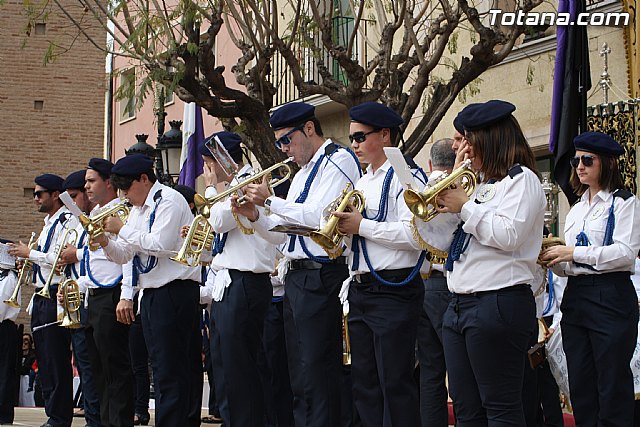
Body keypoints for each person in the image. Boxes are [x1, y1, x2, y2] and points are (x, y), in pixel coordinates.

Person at [415, 99, 546, 426]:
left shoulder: (521, 180)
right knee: (466, 409)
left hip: (497, 301)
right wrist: (443, 187)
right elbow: (438, 240)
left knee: (500, 408)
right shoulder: (479, 185)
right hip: (459, 305)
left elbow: (508, 234)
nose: (465, 147)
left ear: (491, 137)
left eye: (469, 139)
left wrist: (465, 205)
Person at [239, 102, 362, 427]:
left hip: (322, 275)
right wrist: (256, 216)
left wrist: (269, 201)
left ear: (309, 129)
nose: (284, 149)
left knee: (319, 372)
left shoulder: (339, 160)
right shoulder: (300, 174)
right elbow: (285, 237)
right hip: (296, 278)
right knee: (300, 375)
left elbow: (323, 216)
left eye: (287, 140)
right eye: (280, 143)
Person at [326, 102, 424, 426]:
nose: (353, 144)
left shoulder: (404, 176)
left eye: (360, 136)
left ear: (384, 135)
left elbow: (415, 235)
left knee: (395, 385)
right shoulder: (362, 181)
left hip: (394, 289)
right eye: (351, 138)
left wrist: (360, 226)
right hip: (361, 289)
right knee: (364, 385)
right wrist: (340, 232)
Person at [541, 131, 640, 427]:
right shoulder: (576, 209)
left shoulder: (624, 203)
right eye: (576, 160)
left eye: (587, 160)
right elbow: (570, 264)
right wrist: (553, 259)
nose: (579, 166)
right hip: (577, 297)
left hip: (611, 296)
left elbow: (625, 253)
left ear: (607, 163)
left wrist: (573, 252)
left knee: (611, 385)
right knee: (581, 386)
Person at [99, 154, 202, 427]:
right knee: (161, 366)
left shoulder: (168, 200)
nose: (124, 195)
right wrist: (105, 242)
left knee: (172, 369)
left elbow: (160, 244)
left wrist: (121, 229)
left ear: (144, 179)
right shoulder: (137, 209)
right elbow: (125, 255)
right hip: (153, 293)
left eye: (126, 188)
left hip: (176, 290)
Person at [62, 159, 136, 427]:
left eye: (91, 181)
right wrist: (77, 286)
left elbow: (128, 257)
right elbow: (92, 262)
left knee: (115, 368)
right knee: (96, 370)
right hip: (93, 296)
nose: (86, 187)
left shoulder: (121, 213)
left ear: (108, 183)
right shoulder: (94, 214)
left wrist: (126, 294)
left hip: (112, 295)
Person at [9, 173, 78, 427]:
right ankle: (53, 414)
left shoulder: (66, 222)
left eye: (40, 194)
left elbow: (59, 259)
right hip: (41, 295)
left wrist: (32, 253)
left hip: (56, 295)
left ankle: (60, 417)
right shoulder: (49, 223)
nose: (35, 199)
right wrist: (28, 260)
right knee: (45, 359)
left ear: (54, 196)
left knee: (55, 358)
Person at [57, 169, 103, 427]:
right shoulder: (73, 224)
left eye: (74, 196)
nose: (71, 204)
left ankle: (95, 420)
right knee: (84, 366)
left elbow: (98, 254)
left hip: (93, 297)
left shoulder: (93, 221)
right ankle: (91, 417)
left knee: (95, 367)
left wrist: (77, 253)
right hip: (76, 298)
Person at [416, 138, 455, 427]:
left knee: (431, 370)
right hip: (447, 285)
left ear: (430, 164)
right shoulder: (458, 188)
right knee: (459, 369)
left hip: (422, 284)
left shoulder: (418, 189)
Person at [0, 247, 19, 425]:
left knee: (5, 372)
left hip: (4, 327)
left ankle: (3, 413)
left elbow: (2, 306)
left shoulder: (9, 278)